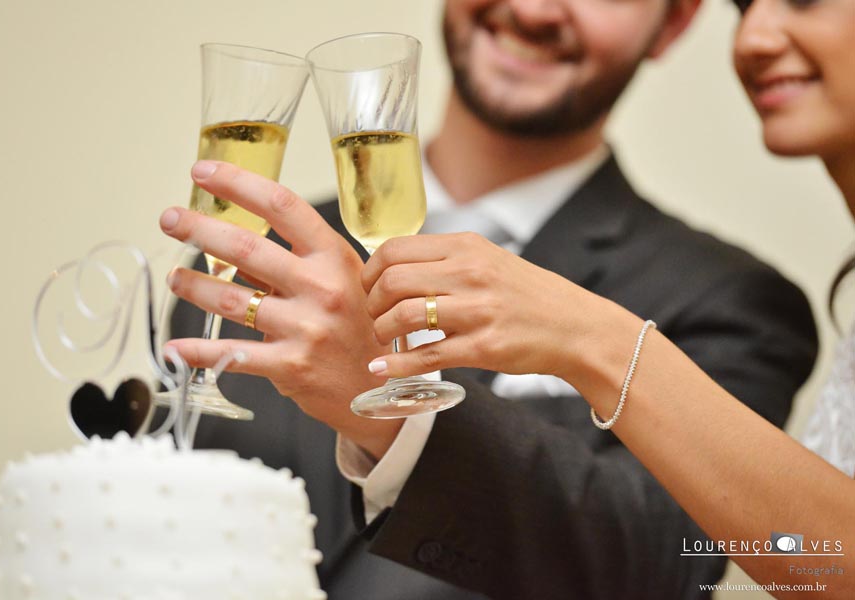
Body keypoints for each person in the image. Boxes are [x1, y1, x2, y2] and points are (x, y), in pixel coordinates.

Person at [162, 0, 819, 597]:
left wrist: (395, 421)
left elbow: (664, 566)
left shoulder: (728, 303)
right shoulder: (255, 261)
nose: (534, 10)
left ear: (673, 22)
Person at [355, 0, 855, 596]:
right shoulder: (284, 245)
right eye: (744, 6)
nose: (752, 38)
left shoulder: (730, 300)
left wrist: (596, 341)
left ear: (674, 24)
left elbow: (703, 561)